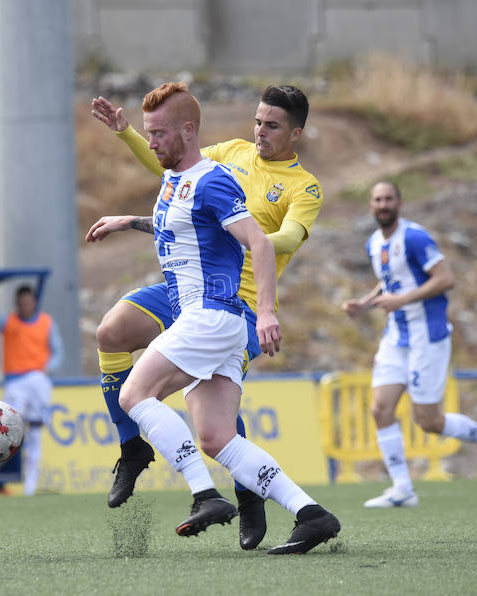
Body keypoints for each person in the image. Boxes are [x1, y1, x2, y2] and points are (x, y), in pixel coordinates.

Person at [99, 81, 340, 555]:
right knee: (215, 436)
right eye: (257, 121)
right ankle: (312, 515)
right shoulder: (201, 168)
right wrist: (128, 213)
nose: (259, 132)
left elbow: (269, 241)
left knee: (135, 393)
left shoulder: (265, 182)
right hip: (203, 309)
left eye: (271, 125)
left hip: (222, 308)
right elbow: (182, 202)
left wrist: (267, 309)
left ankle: (206, 494)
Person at [342, 181, 477, 508]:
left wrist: (403, 300)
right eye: (377, 200)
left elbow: (445, 278)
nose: (383, 205)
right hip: (396, 336)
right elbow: (391, 280)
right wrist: (363, 304)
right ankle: (403, 488)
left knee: (429, 421)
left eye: (388, 199)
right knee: (380, 409)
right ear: (370, 205)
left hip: (427, 335)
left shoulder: (415, 237)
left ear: (399, 202)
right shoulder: (373, 243)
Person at [0, 284, 65, 496]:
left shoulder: (46, 323)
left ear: (34, 302)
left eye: (28, 302)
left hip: (38, 379)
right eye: (21, 303)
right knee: (5, 427)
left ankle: (30, 488)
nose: (25, 306)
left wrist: (48, 369)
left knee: (35, 432)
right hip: (15, 382)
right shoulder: (8, 321)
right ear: (17, 304)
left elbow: (58, 352)